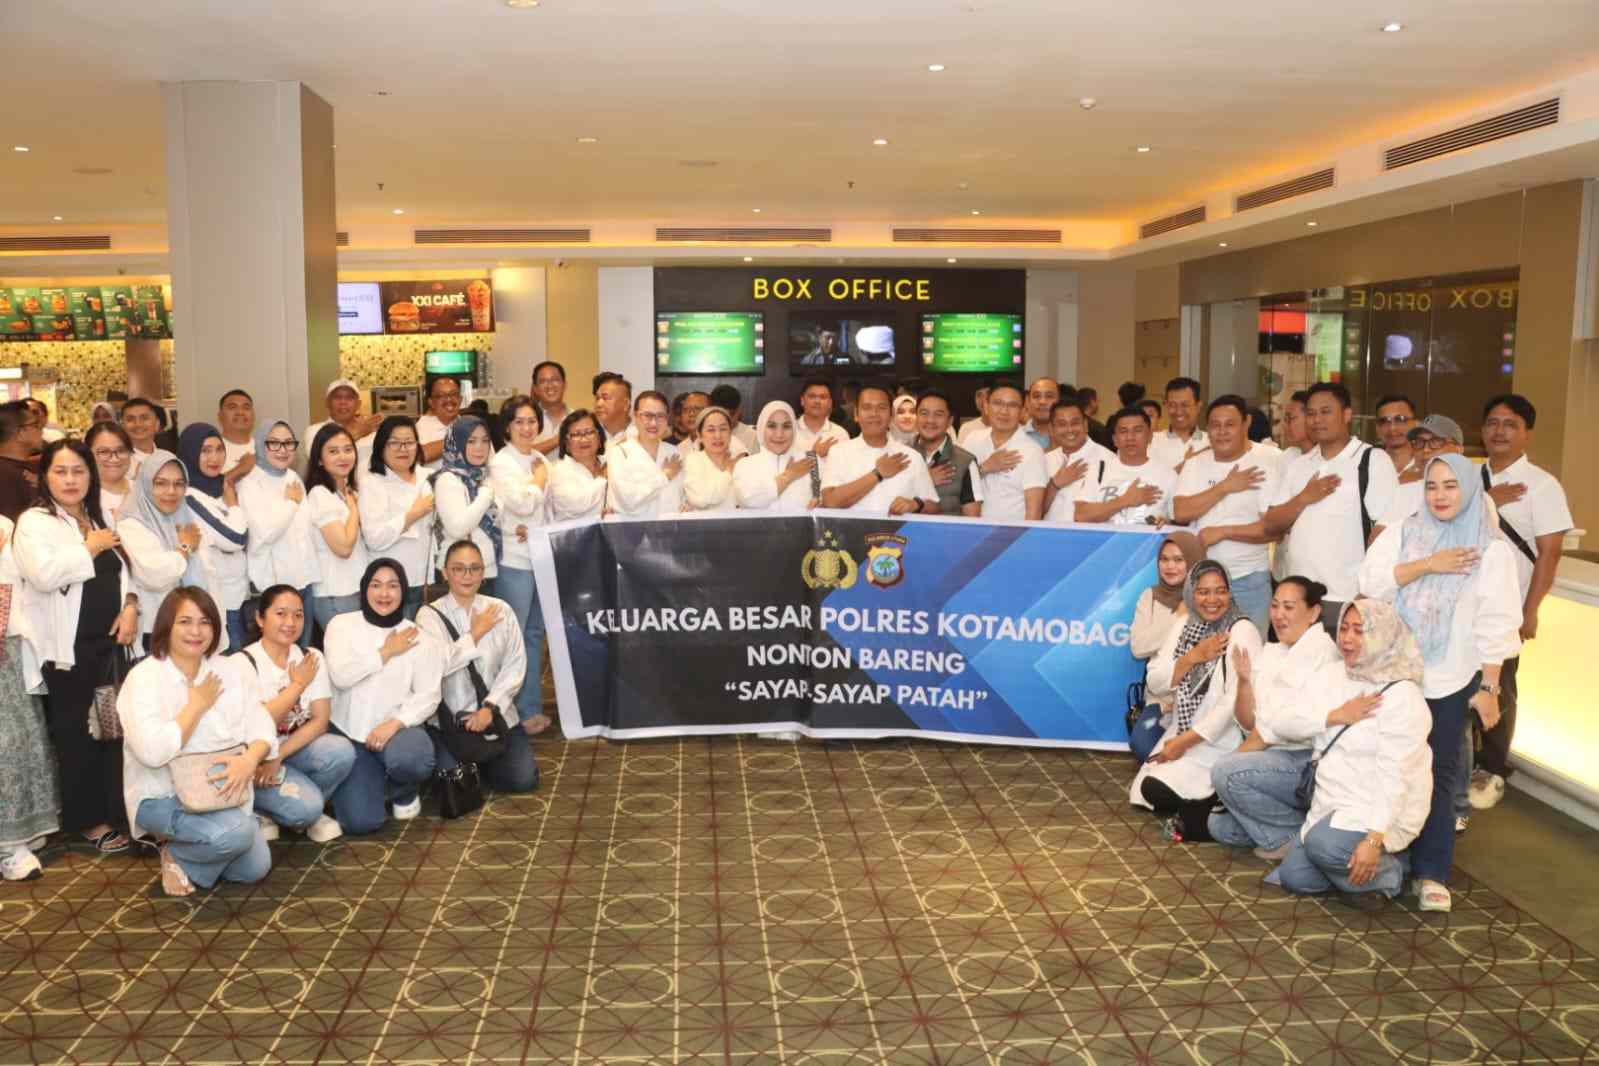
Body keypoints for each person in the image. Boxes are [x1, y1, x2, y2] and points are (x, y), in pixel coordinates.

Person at [1357, 452, 1521, 913]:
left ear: (1470, 490)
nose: (1440, 495)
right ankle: (1384, 858)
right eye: (1432, 485)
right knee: (1385, 765)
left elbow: (1496, 622)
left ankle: (1431, 871)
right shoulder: (1403, 533)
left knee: (1440, 776)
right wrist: (1429, 564)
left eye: (1451, 485)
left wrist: (1489, 689)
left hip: (1449, 680)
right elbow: (1372, 583)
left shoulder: (1491, 549)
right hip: (1394, 674)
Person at [1253, 598, 1432, 908]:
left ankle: (1389, 871)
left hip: (1378, 809)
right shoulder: (1334, 675)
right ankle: (1353, 877)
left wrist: (1374, 838)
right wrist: (1333, 716)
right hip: (1330, 802)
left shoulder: (1404, 696)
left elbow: (1396, 777)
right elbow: (1281, 721)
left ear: (1381, 636)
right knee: (1295, 877)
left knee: (1323, 846)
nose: (1347, 638)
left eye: (1359, 631)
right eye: (1344, 628)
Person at [16, 441, 138, 855]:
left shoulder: (95, 516)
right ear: (45, 477)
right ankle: (87, 821)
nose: (70, 480)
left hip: (108, 645)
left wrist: (131, 606)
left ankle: (115, 811)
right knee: (76, 736)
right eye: (60, 471)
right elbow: (44, 575)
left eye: (78, 471)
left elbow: (124, 572)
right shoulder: (35, 522)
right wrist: (90, 546)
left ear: (91, 475)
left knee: (110, 731)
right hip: (66, 650)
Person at [118, 588, 281, 897]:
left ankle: (192, 855)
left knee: (255, 868)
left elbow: (261, 725)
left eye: (205, 622)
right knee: (237, 834)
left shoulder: (228, 669)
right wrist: (195, 707)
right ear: (167, 625)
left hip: (221, 792)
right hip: (163, 794)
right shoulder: (144, 677)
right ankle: (177, 851)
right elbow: (152, 753)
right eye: (185, 622)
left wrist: (249, 759)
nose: (196, 631)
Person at [1471, 394, 1573, 811]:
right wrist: (1487, 500)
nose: (1499, 431)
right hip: (1460, 605)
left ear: (1527, 432)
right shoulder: (1467, 477)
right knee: (1457, 687)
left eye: (1510, 424)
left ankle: (1491, 769)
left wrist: (1530, 611)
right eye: (1492, 423)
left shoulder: (1543, 486)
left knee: (1498, 686)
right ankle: (1461, 766)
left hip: (1505, 610)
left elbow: (1550, 553)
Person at [1203, 577, 1342, 858]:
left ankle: (1288, 839)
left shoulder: (1319, 650)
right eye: (1275, 606)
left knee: (1225, 772)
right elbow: (1248, 723)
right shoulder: (1274, 651)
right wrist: (1244, 682)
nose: (1279, 615)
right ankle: (1303, 830)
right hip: (1273, 758)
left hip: (1308, 761)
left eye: (1288, 607)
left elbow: (1269, 733)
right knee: (1220, 826)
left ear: (1314, 613)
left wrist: (1225, 772)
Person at [1131, 560, 1262, 842]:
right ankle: (1212, 805)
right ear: (1191, 593)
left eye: (1220, 591)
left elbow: (1231, 705)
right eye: (1203, 592)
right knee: (1148, 789)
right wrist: (1193, 657)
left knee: (1160, 789)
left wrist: (1184, 742)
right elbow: (1155, 680)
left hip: (1223, 741)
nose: (1212, 600)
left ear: (1230, 592)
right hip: (1182, 730)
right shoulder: (1185, 624)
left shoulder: (1242, 631)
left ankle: (1215, 802)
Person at [323, 558, 444, 832]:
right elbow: (341, 676)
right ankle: (378, 780)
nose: (384, 594)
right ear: (364, 588)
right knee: (361, 823)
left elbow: (429, 695)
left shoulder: (419, 637)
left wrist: (396, 723)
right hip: (350, 735)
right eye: (376, 585)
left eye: (393, 586)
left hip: (395, 734)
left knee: (415, 758)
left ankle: (403, 788)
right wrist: (385, 653)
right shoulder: (341, 625)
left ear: (404, 590)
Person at [1266, 382, 1398, 631]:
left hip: (1347, 598)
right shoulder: (1299, 465)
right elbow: (1271, 524)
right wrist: (1304, 497)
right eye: (1311, 413)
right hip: (1298, 600)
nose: (1317, 420)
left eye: (1326, 412)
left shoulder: (1372, 460)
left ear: (1347, 415)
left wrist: (1368, 592)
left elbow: (1387, 533)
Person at [417, 540, 540, 793]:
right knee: (454, 786)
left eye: (474, 568)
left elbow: (515, 665)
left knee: (523, 780)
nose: (467, 575)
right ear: (445, 572)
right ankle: (473, 762)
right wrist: (475, 634)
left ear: (483, 573)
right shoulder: (429, 616)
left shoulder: (501, 610)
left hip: (497, 718)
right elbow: (437, 667)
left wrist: (490, 708)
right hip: (451, 724)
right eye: (458, 568)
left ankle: (483, 762)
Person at [238, 586, 352, 844]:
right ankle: (264, 809)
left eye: (298, 615)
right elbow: (258, 724)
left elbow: (320, 721)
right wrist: (297, 686)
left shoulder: (311, 657)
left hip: (288, 753)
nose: (290, 622)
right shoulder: (243, 663)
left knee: (340, 751)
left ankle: (302, 808)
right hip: (255, 760)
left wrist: (279, 755)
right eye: (281, 614)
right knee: (306, 809)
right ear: (260, 619)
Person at [1172, 395, 1282, 634]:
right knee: (1202, 652)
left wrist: (1223, 532)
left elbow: (1273, 528)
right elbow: (1180, 512)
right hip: (1202, 581)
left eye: (1230, 424)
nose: (1222, 432)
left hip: (1249, 580)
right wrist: (1225, 487)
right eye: (1215, 425)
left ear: (1246, 423)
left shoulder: (1269, 459)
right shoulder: (1196, 463)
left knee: (1249, 651)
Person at [0, 510, 60, 881]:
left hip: (8, 652)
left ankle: (15, 837)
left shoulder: (6, 528)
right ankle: (9, 845)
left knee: (17, 743)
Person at [488, 396, 552, 731]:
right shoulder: (502, 462)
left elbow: (542, 509)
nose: (527, 428)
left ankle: (529, 708)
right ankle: (509, 711)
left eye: (532, 421)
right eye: (519, 422)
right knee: (512, 639)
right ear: (507, 426)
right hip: (514, 560)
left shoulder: (539, 458)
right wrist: (537, 482)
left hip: (540, 556)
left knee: (534, 635)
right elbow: (522, 504)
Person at [116, 450, 212, 648]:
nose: (171, 491)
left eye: (179, 484)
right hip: (155, 627)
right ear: (146, 484)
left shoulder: (183, 514)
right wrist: (184, 548)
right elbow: (154, 574)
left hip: (192, 624)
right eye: (160, 483)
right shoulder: (131, 523)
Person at [238, 421, 316, 645]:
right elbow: (264, 533)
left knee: (301, 651)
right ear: (260, 445)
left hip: (303, 581)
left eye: (289, 443)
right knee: (275, 652)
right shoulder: (249, 484)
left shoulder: (293, 477)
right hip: (272, 586)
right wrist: (290, 504)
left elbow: (305, 531)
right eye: (274, 443)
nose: (283, 450)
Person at [1126, 533, 1202, 762]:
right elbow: (1138, 647)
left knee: (1197, 750)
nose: (1170, 566)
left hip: (1200, 700)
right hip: (1160, 700)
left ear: (1193, 561)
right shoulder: (1149, 597)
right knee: (1143, 746)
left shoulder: (1207, 598)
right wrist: (1177, 617)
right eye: (1164, 559)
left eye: (1179, 560)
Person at [176, 424, 252, 651]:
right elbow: (236, 538)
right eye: (205, 451)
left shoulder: (221, 487)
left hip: (239, 596)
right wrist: (234, 506)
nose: (214, 457)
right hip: (219, 601)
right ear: (190, 453)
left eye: (219, 449)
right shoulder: (190, 495)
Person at [356, 416, 435, 619]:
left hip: (426, 580)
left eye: (409, 442)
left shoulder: (428, 477)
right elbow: (374, 538)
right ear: (381, 446)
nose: (403, 449)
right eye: (395, 443)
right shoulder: (372, 483)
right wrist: (413, 515)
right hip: (390, 584)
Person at [820, 385, 939, 515]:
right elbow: (830, 501)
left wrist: (916, 504)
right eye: (867, 407)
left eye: (881, 408)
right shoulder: (839, 452)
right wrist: (877, 474)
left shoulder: (912, 456)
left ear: (891, 415)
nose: (874, 414)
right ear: (856, 414)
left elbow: (934, 506)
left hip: (899, 529)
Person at [304, 424, 369, 637]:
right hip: (336, 592)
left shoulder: (346, 492)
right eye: (333, 451)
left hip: (355, 588)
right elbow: (343, 547)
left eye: (348, 449)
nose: (343, 456)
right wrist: (354, 508)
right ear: (319, 460)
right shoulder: (320, 494)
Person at [1072, 406, 1176, 526]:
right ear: (1114, 439)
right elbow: (1080, 515)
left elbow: (1177, 521)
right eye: (1123, 431)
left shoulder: (1168, 475)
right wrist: (1125, 500)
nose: (1130, 437)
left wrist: (1167, 523)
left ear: (1149, 436)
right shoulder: (1099, 469)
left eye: (1137, 430)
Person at [432, 416, 501, 591]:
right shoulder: (448, 479)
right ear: (457, 444)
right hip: (458, 572)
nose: (480, 447)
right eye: (471, 441)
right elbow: (457, 528)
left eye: (485, 441)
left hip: (486, 570)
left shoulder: (485, 476)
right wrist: (485, 495)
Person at [1371, 414, 1464, 541]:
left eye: (1436, 442)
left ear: (1458, 449)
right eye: (1420, 443)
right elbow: (1376, 538)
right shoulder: (1405, 492)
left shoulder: (1475, 492)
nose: (1426, 450)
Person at [963, 383, 1047, 522]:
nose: (1004, 411)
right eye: (997, 403)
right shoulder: (972, 439)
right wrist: (984, 468)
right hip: (971, 528)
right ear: (986, 407)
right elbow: (956, 484)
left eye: (1012, 405)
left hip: (1010, 533)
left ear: (1022, 411)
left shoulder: (1032, 451)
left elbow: (1034, 512)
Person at [607, 391, 683, 519]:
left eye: (660, 416)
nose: (653, 423)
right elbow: (628, 501)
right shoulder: (619, 452)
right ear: (635, 416)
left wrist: (687, 505)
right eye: (647, 415)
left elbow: (682, 495)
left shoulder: (674, 452)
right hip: (635, 528)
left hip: (671, 528)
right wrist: (665, 476)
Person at [734, 401, 820, 513]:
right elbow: (748, 501)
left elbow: (824, 500)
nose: (779, 434)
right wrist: (788, 476)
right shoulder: (745, 465)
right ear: (761, 428)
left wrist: (821, 503)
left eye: (786, 426)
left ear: (794, 429)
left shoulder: (811, 461)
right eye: (771, 426)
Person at [1039, 396, 1114, 522]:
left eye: (1075, 423)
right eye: (1062, 424)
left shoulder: (1108, 460)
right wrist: (1054, 485)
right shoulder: (1044, 460)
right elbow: (1033, 512)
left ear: (1085, 425)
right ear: (1051, 429)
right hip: (1048, 533)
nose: (1069, 430)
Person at [909, 390, 976, 517]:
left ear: (950, 421)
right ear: (916, 417)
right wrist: (926, 480)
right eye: (924, 413)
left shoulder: (966, 461)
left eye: (938, 414)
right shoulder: (900, 455)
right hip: (905, 530)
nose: (930, 420)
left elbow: (972, 519)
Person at [304, 379, 382, 465]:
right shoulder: (315, 430)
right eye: (337, 397)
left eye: (349, 398)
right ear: (327, 403)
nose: (343, 402)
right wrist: (359, 432)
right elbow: (316, 458)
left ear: (358, 404)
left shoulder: (372, 431)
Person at [548, 410, 609, 521]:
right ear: (567, 444)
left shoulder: (610, 462)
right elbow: (576, 504)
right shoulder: (558, 471)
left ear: (599, 437)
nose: (584, 439)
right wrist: (602, 478)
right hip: (574, 532)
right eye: (576, 434)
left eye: (589, 432)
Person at [682, 407, 741, 513]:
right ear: (699, 435)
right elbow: (701, 499)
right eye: (711, 430)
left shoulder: (740, 461)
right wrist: (728, 473)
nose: (718, 435)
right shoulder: (693, 460)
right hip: (705, 523)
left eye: (723, 429)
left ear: (730, 433)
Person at [1148, 377, 1208, 473]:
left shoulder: (1210, 442)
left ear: (1198, 406)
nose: (1178, 411)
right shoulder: (1151, 442)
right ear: (1166, 406)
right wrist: (1186, 465)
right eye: (1172, 405)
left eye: (1185, 405)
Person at [0, 401, 42, 522]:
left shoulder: (25, 467)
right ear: (21, 433)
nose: (41, 430)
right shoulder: (5, 476)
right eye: (36, 425)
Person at [86, 422, 134, 516]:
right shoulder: (81, 496)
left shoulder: (144, 491)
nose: (114, 459)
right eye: (104, 452)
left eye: (121, 450)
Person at [792, 378, 850, 457]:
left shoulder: (840, 434)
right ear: (802, 400)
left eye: (823, 397)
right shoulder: (789, 431)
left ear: (830, 403)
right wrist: (814, 455)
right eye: (812, 396)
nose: (817, 401)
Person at [416, 376, 464, 466]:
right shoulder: (420, 429)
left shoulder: (470, 425)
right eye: (441, 395)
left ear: (460, 399)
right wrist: (462, 438)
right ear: (431, 402)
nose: (449, 399)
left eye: (454, 394)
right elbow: (420, 456)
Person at [1374, 394, 1419, 482]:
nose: (1392, 428)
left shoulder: (1428, 466)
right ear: (1377, 429)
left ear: (1415, 424)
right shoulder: (1367, 467)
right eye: (1384, 421)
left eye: (1400, 419)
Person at [529, 361, 570, 455]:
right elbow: (520, 454)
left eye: (555, 380)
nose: (550, 386)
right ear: (535, 388)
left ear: (565, 385)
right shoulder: (524, 420)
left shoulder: (577, 419)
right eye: (543, 381)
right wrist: (559, 438)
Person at [216, 389, 257, 478]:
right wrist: (241, 468)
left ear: (253, 415)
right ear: (220, 416)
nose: (240, 412)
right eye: (232, 407)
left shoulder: (264, 449)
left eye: (246, 408)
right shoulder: (210, 449)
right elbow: (204, 486)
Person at [709, 384, 759, 455]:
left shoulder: (752, 436)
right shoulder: (705, 434)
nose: (727, 420)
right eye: (723, 415)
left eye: (732, 414)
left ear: (739, 410)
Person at [119, 397, 164, 474]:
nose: (138, 424)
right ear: (122, 426)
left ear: (157, 424)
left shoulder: (168, 458)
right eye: (130, 419)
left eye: (144, 418)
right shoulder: (117, 463)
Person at [593, 372, 634, 444]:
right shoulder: (591, 437)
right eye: (597, 398)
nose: (599, 404)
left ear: (626, 404)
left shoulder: (642, 435)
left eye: (606, 398)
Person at [1023, 378, 1060, 450]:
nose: (1042, 402)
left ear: (1059, 401)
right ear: (1028, 401)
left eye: (1049, 396)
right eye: (1036, 396)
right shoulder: (1015, 435)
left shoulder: (1072, 435)